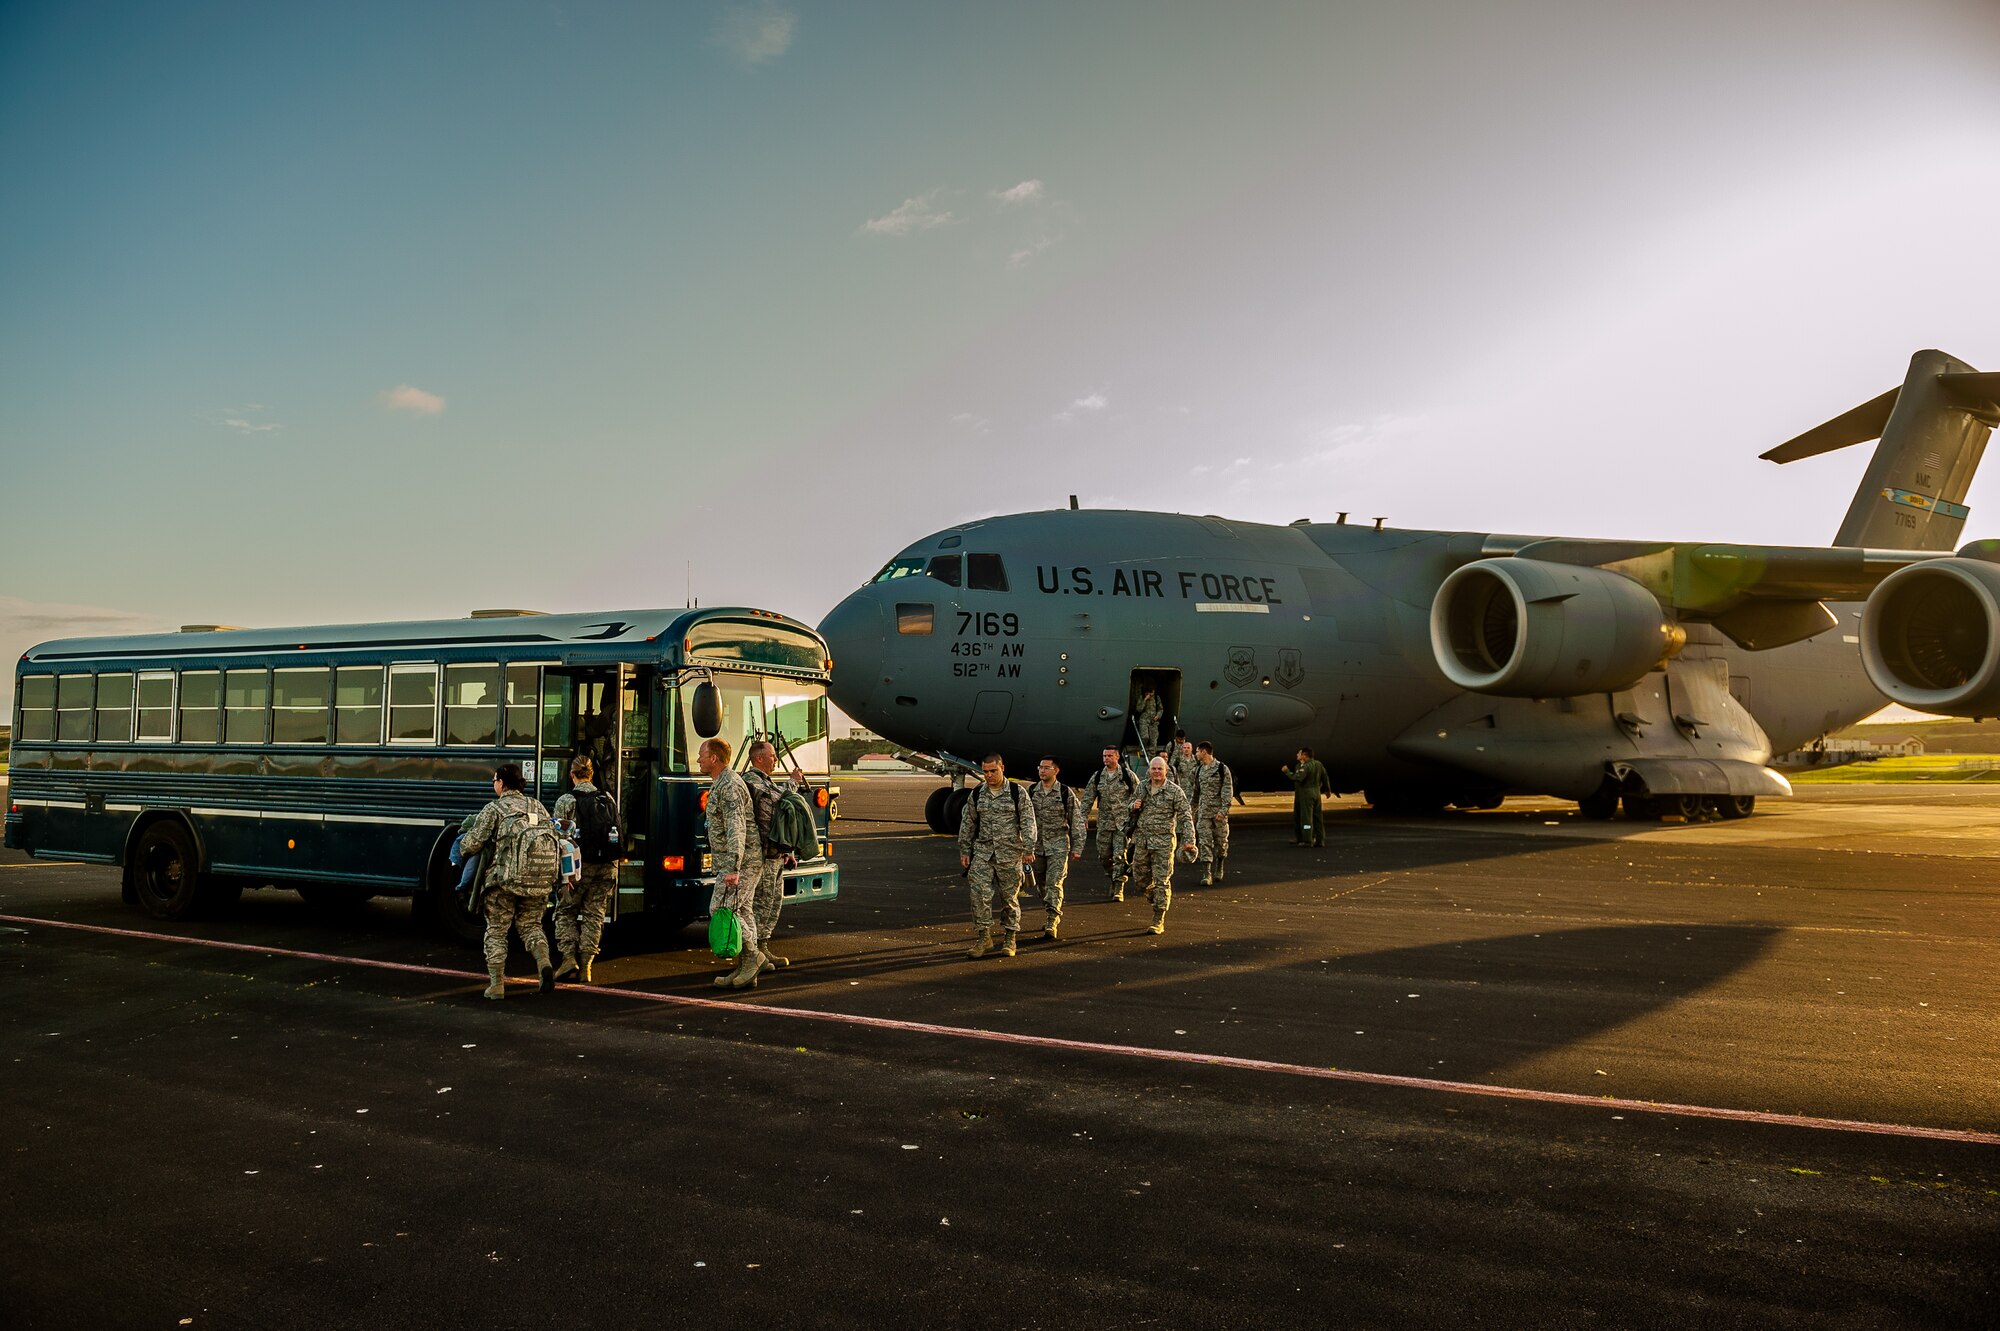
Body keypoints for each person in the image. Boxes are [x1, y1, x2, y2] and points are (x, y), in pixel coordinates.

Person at [456, 762, 558, 1000]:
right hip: (536, 881)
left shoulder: (495, 808)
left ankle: (496, 985)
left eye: (494, 781)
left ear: (501, 783)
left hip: (503, 882)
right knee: (531, 926)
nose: (493, 785)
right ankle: (543, 963)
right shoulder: (537, 806)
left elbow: (473, 841)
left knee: (497, 931)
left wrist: (461, 849)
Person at [699, 737, 765, 989]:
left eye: (702, 755)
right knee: (743, 910)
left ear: (714, 758)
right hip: (742, 860)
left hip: (741, 861)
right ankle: (747, 968)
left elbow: (736, 828)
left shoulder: (729, 786)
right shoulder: (722, 783)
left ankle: (753, 959)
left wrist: (732, 869)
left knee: (721, 909)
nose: (699, 759)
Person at [957, 753, 1036, 959]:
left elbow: (1028, 822)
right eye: (985, 772)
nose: (989, 775)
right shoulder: (977, 794)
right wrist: (965, 850)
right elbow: (968, 823)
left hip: (1010, 854)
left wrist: (1029, 849)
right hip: (983, 853)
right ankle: (984, 938)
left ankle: (1010, 937)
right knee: (979, 896)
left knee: (1009, 899)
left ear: (1002, 768)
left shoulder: (1017, 793)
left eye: (993, 771)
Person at [550, 756, 619, 984]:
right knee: (594, 915)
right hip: (607, 867)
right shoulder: (607, 798)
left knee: (565, 911)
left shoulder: (566, 800)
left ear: (572, 775)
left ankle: (569, 957)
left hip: (579, 867)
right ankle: (587, 967)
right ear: (591, 774)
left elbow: (560, 838)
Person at [744, 739, 807, 974]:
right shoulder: (752, 782)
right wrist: (793, 783)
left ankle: (763, 947)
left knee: (772, 903)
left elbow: (778, 819)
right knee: (760, 903)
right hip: (760, 855)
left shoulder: (765, 781)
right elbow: (778, 804)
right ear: (759, 758)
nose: (775, 760)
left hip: (774, 854)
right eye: (772, 756)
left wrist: (787, 851)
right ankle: (755, 954)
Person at [1126, 755, 1197, 935]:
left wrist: (1188, 840)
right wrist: (1133, 806)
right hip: (1142, 841)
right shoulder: (1142, 787)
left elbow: (1186, 817)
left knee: (1161, 881)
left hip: (1164, 844)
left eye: (1160, 769)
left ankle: (1158, 917)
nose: (1156, 772)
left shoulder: (1175, 792)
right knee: (1140, 878)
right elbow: (1129, 805)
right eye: (1153, 768)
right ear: (1149, 770)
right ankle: (1156, 898)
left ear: (1166, 771)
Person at [1026, 755, 1086, 942]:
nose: (1042, 771)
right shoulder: (1031, 791)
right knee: (1042, 885)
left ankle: (1052, 920)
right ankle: (1050, 910)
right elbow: (1024, 819)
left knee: (1054, 883)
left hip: (1058, 846)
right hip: (1037, 847)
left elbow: (1076, 821)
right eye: (1040, 767)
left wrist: (1077, 847)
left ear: (1056, 771)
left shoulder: (1065, 793)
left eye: (1046, 768)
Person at [1081, 746, 1142, 902]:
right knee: (1104, 856)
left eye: (1109, 756)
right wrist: (1083, 817)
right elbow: (1088, 797)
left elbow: (1140, 795)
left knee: (1119, 856)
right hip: (1105, 823)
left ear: (1117, 757)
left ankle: (1118, 886)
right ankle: (1112, 876)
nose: (1106, 758)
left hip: (1123, 823)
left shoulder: (1128, 775)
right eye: (1104, 756)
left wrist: (1137, 818)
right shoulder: (1098, 776)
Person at [1192, 740, 1236, 885]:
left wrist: (1223, 811)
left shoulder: (1221, 769)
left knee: (1221, 843)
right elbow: (1196, 793)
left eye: (1198, 751)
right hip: (1204, 813)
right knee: (1204, 842)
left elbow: (1227, 791)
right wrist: (1191, 810)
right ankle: (1206, 874)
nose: (1196, 754)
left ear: (1204, 752)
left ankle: (1220, 866)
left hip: (1218, 814)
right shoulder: (1198, 770)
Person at [1281, 747, 1333, 846]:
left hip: (1305, 794)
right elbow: (1325, 776)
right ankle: (1320, 840)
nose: (1297, 754)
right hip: (1316, 793)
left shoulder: (1305, 766)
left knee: (1306, 818)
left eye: (1299, 753)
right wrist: (1327, 790)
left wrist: (1287, 772)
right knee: (1317, 817)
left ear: (1304, 756)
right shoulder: (1318, 764)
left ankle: (1307, 840)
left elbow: (1298, 778)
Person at [1133, 682, 1164, 754]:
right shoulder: (1142, 698)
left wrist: (1158, 716)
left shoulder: (1156, 698)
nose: (1151, 694)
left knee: (1153, 739)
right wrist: (1145, 700)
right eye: (1150, 693)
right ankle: (1142, 750)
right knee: (1145, 737)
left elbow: (1161, 709)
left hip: (1153, 721)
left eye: (1153, 692)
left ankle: (1152, 755)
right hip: (1144, 720)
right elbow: (1139, 709)